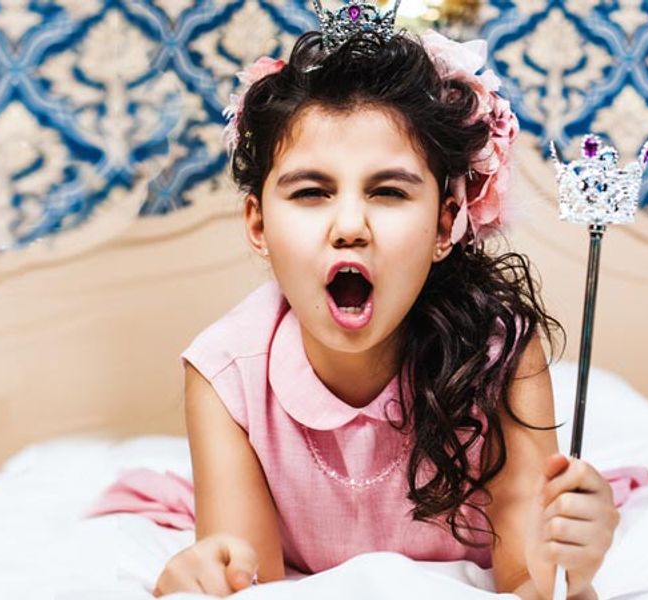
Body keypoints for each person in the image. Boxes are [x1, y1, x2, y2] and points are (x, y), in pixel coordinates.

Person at [151, 22, 622, 600]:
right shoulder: (225, 373)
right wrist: (199, 580)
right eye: (311, 192)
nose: (350, 227)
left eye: (389, 192)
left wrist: (574, 571)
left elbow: (530, 580)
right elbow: (251, 582)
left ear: (446, 222)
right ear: (258, 224)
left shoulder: (503, 355)